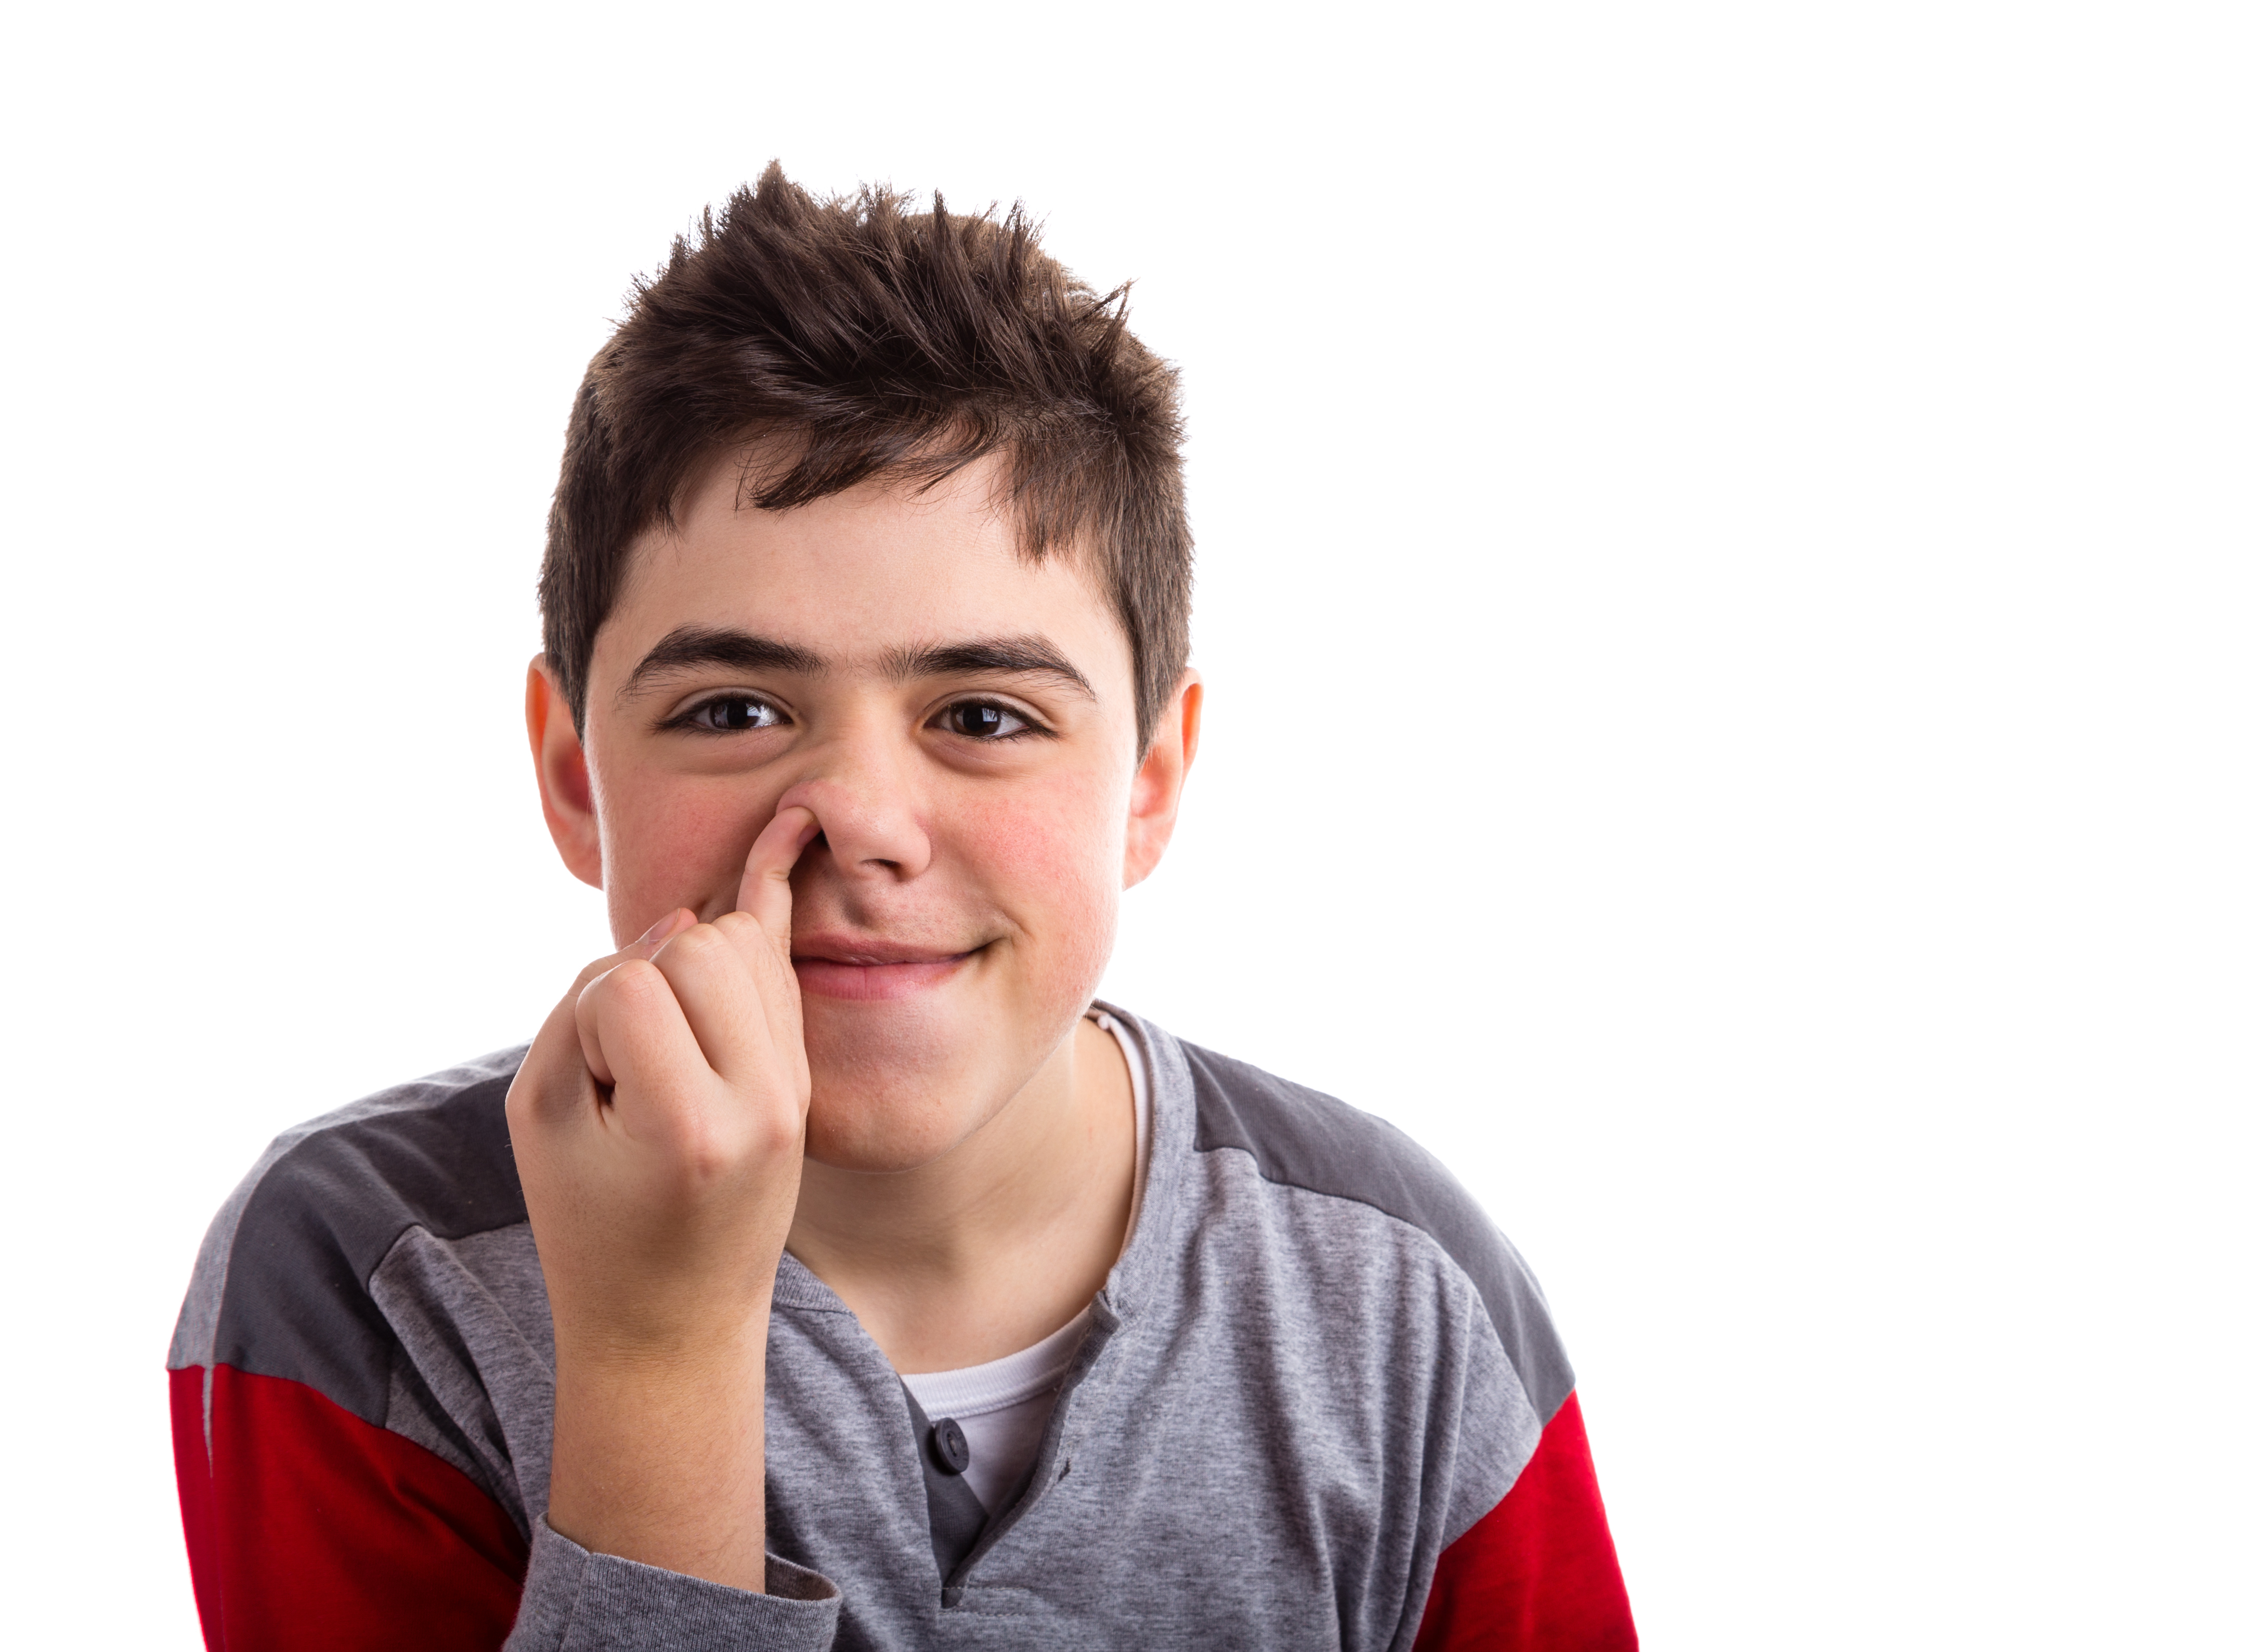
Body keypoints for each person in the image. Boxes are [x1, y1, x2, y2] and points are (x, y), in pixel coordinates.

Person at [166, 167, 1634, 1650]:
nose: (862, 821)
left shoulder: (1406, 1302)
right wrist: (660, 1352)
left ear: (1151, 781)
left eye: (985, 717)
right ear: (571, 774)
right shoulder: (356, 1279)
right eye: (734, 709)